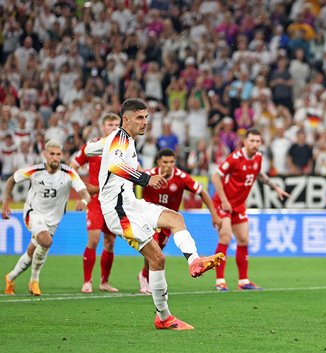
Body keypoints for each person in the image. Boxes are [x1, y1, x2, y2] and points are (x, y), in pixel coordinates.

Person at [84, 98, 224, 330]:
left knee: (175, 218)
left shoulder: (118, 139)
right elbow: (114, 166)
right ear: (125, 119)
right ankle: (164, 317)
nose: (145, 122)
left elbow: (89, 150)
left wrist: (98, 144)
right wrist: (146, 178)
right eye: (139, 117)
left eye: (146, 117)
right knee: (157, 258)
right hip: (118, 211)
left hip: (130, 202)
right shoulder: (120, 139)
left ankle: (194, 260)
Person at [3, 140, 91, 296]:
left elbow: (85, 193)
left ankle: (10, 277)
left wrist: (83, 201)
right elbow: (11, 180)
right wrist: (5, 204)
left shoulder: (69, 173)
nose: (55, 158)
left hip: (54, 219)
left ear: (62, 155)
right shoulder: (35, 170)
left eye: (58, 154)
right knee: (46, 241)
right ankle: (34, 280)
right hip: (33, 213)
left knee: (33, 250)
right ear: (45, 155)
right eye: (52, 154)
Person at [211, 128, 290, 291]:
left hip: (239, 205)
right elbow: (215, 176)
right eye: (252, 141)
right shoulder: (235, 158)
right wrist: (225, 201)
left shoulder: (258, 158)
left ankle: (243, 281)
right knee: (225, 237)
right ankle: (220, 281)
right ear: (245, 142)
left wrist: (275, 187)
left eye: (258, 141)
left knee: (244, 240)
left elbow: (258, 175)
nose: (255, 144)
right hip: (223, 203)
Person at [137, 148, 222, 294]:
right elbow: (131, 183)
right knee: (154, 247)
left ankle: (144, 274)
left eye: (171, 162)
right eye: (165, 162)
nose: (168, 165)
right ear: (158, 162)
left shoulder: (181, 177)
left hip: (168, 221)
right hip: (149, 218)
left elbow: (202, 192)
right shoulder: (149, 176)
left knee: (157, 252)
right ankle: (150, 280)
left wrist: (214, 214)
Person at [70, 113, 121, 293]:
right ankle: (87, 281)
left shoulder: (124, 147)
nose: (114, 127)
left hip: (114, 202)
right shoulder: (92, 146)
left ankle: (104, 282)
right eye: (110, 124)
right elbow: (72, 167)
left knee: (109, 242)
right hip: (95, 201)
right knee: (93, 239)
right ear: (103, 127)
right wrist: (82, 192)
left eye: (116, 124)